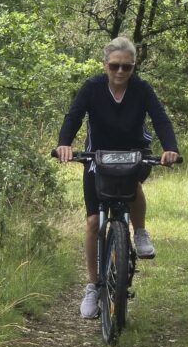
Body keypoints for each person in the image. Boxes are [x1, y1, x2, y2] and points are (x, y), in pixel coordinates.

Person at [56, 37, 180, 319]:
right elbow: (73, 116)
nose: (120, 72)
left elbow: (160, 118)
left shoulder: (142, 89)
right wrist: (64, 144)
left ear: (133, 67)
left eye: (127, 67)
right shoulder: (92, 88)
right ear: (105, 65)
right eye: (115, 66)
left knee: (132, 184)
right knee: (93, 221)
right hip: (97, 157)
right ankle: (93, 285)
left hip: (134, 153)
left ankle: (140, 231)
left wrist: (170, 148)